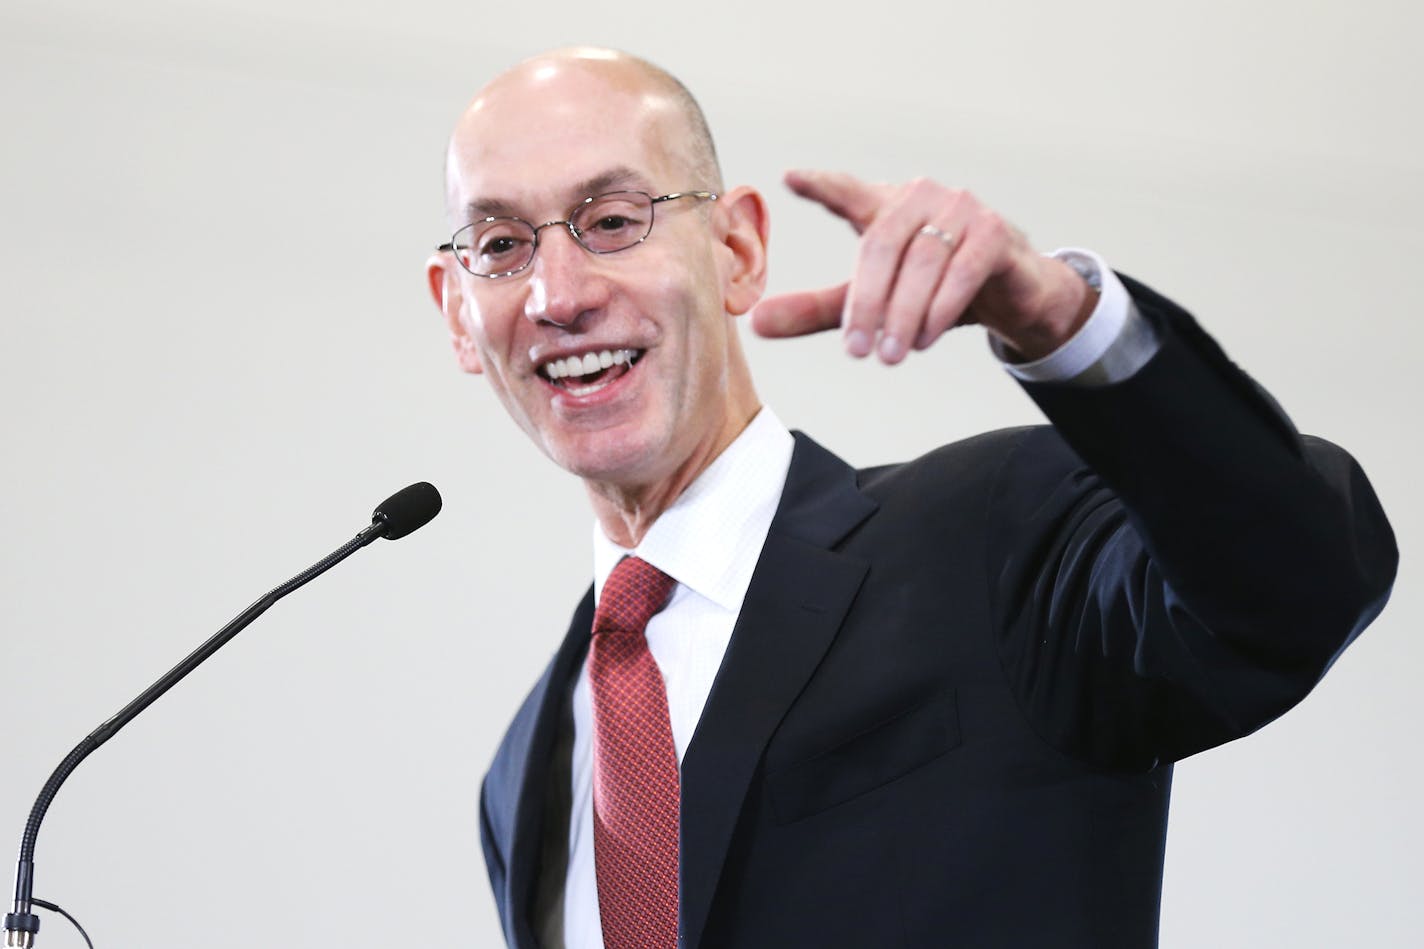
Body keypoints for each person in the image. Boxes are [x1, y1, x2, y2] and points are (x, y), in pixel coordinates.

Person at [424, 47, 1396, 949]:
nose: (557, 292)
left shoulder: (995, 542)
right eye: (501, 244)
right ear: (457, 314)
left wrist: (1067, 325)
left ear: (737, 250)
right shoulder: (525, 771)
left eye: (611, 221)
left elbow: (1301, 580)